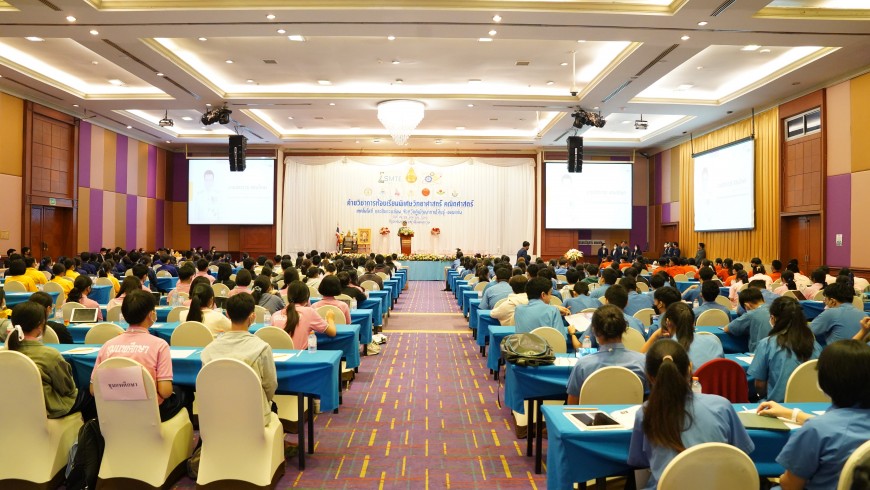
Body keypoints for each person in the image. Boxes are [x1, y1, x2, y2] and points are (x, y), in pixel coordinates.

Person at [628, 341, 753, 490]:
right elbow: (741, 454)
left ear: (650, 377)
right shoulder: (722, 406)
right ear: (690, 368)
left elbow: (640, 462)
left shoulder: (645, 413)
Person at [757, 340, 870, 489]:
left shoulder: (816, 430)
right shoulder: (824, 427)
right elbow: (842, 427)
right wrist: (792, 414)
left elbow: (790, 485)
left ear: (825, 380)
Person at [91, 290, 188, 422]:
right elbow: (165, 392)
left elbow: (93, 389)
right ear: (151, 314)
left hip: (115, 412)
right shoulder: (160, 345)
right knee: (185, 392)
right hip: (150, 413)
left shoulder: (108, 345)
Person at [6, 302, 93, 419]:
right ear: (40, 325)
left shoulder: (6, 353)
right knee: (91, 394)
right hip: (49, 409)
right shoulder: (50, 355)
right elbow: (67, 389)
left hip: (12, 407)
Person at [201, 293, 277, 425]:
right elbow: (270, 385)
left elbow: (206, 385)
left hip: (217, 415)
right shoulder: (262, 348)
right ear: (252, 317)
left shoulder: (208, 350)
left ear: (227, 315)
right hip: (254, 416)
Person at [566, 304, 648, 404]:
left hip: (592, 414)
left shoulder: (583, 365)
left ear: (594, 331)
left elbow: (572, 405)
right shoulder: (643, 362)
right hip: (632, 414)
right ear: (624, 329)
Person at [748, 297, 821, 403]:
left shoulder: (767, 344)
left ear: (773, 318)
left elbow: (759, 384)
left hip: (777, 406)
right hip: (810, 405)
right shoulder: (815, 345)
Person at [642, 302, 723, 369]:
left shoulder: (662, 349)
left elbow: (639, 361)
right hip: (711, 384)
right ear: (693, 323)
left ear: (668, 322)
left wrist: (654, 336)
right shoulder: (714, 342)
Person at [272, 281, 337, 350]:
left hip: (277, 355)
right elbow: (332, 332)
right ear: (307, 297)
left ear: (288, 296)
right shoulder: (309, 312)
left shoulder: (275, 315)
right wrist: (330, 318)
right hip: (300, 355)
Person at [723, 288, 771, 352]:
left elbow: (728, 328)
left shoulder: (751, 314)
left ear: (747, 305)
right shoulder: (774, 309)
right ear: (763, 300)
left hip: (759, 353)